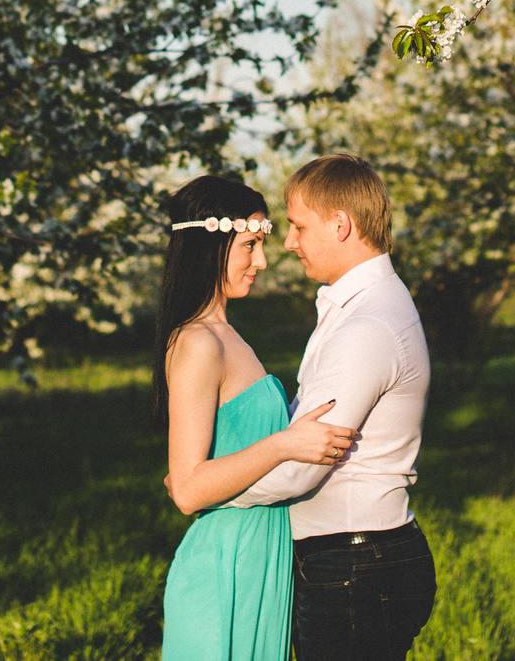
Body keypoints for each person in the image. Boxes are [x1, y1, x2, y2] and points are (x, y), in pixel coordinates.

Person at [229, 153, 435, 661]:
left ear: (341, 224)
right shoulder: (366, 307)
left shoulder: (369, 325)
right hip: (357, 560)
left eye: (298, 226)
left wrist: (210, 489)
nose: (290, 242)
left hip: (354, 565)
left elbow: (304, 464)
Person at [156, 174, 359, 661]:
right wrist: (284, 444)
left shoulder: (231, 338)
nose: (262, 262)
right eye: (250, 245)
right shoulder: (198, 343)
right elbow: (185, 489)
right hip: (225, 563)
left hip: (262, 556)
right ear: (210, 247)